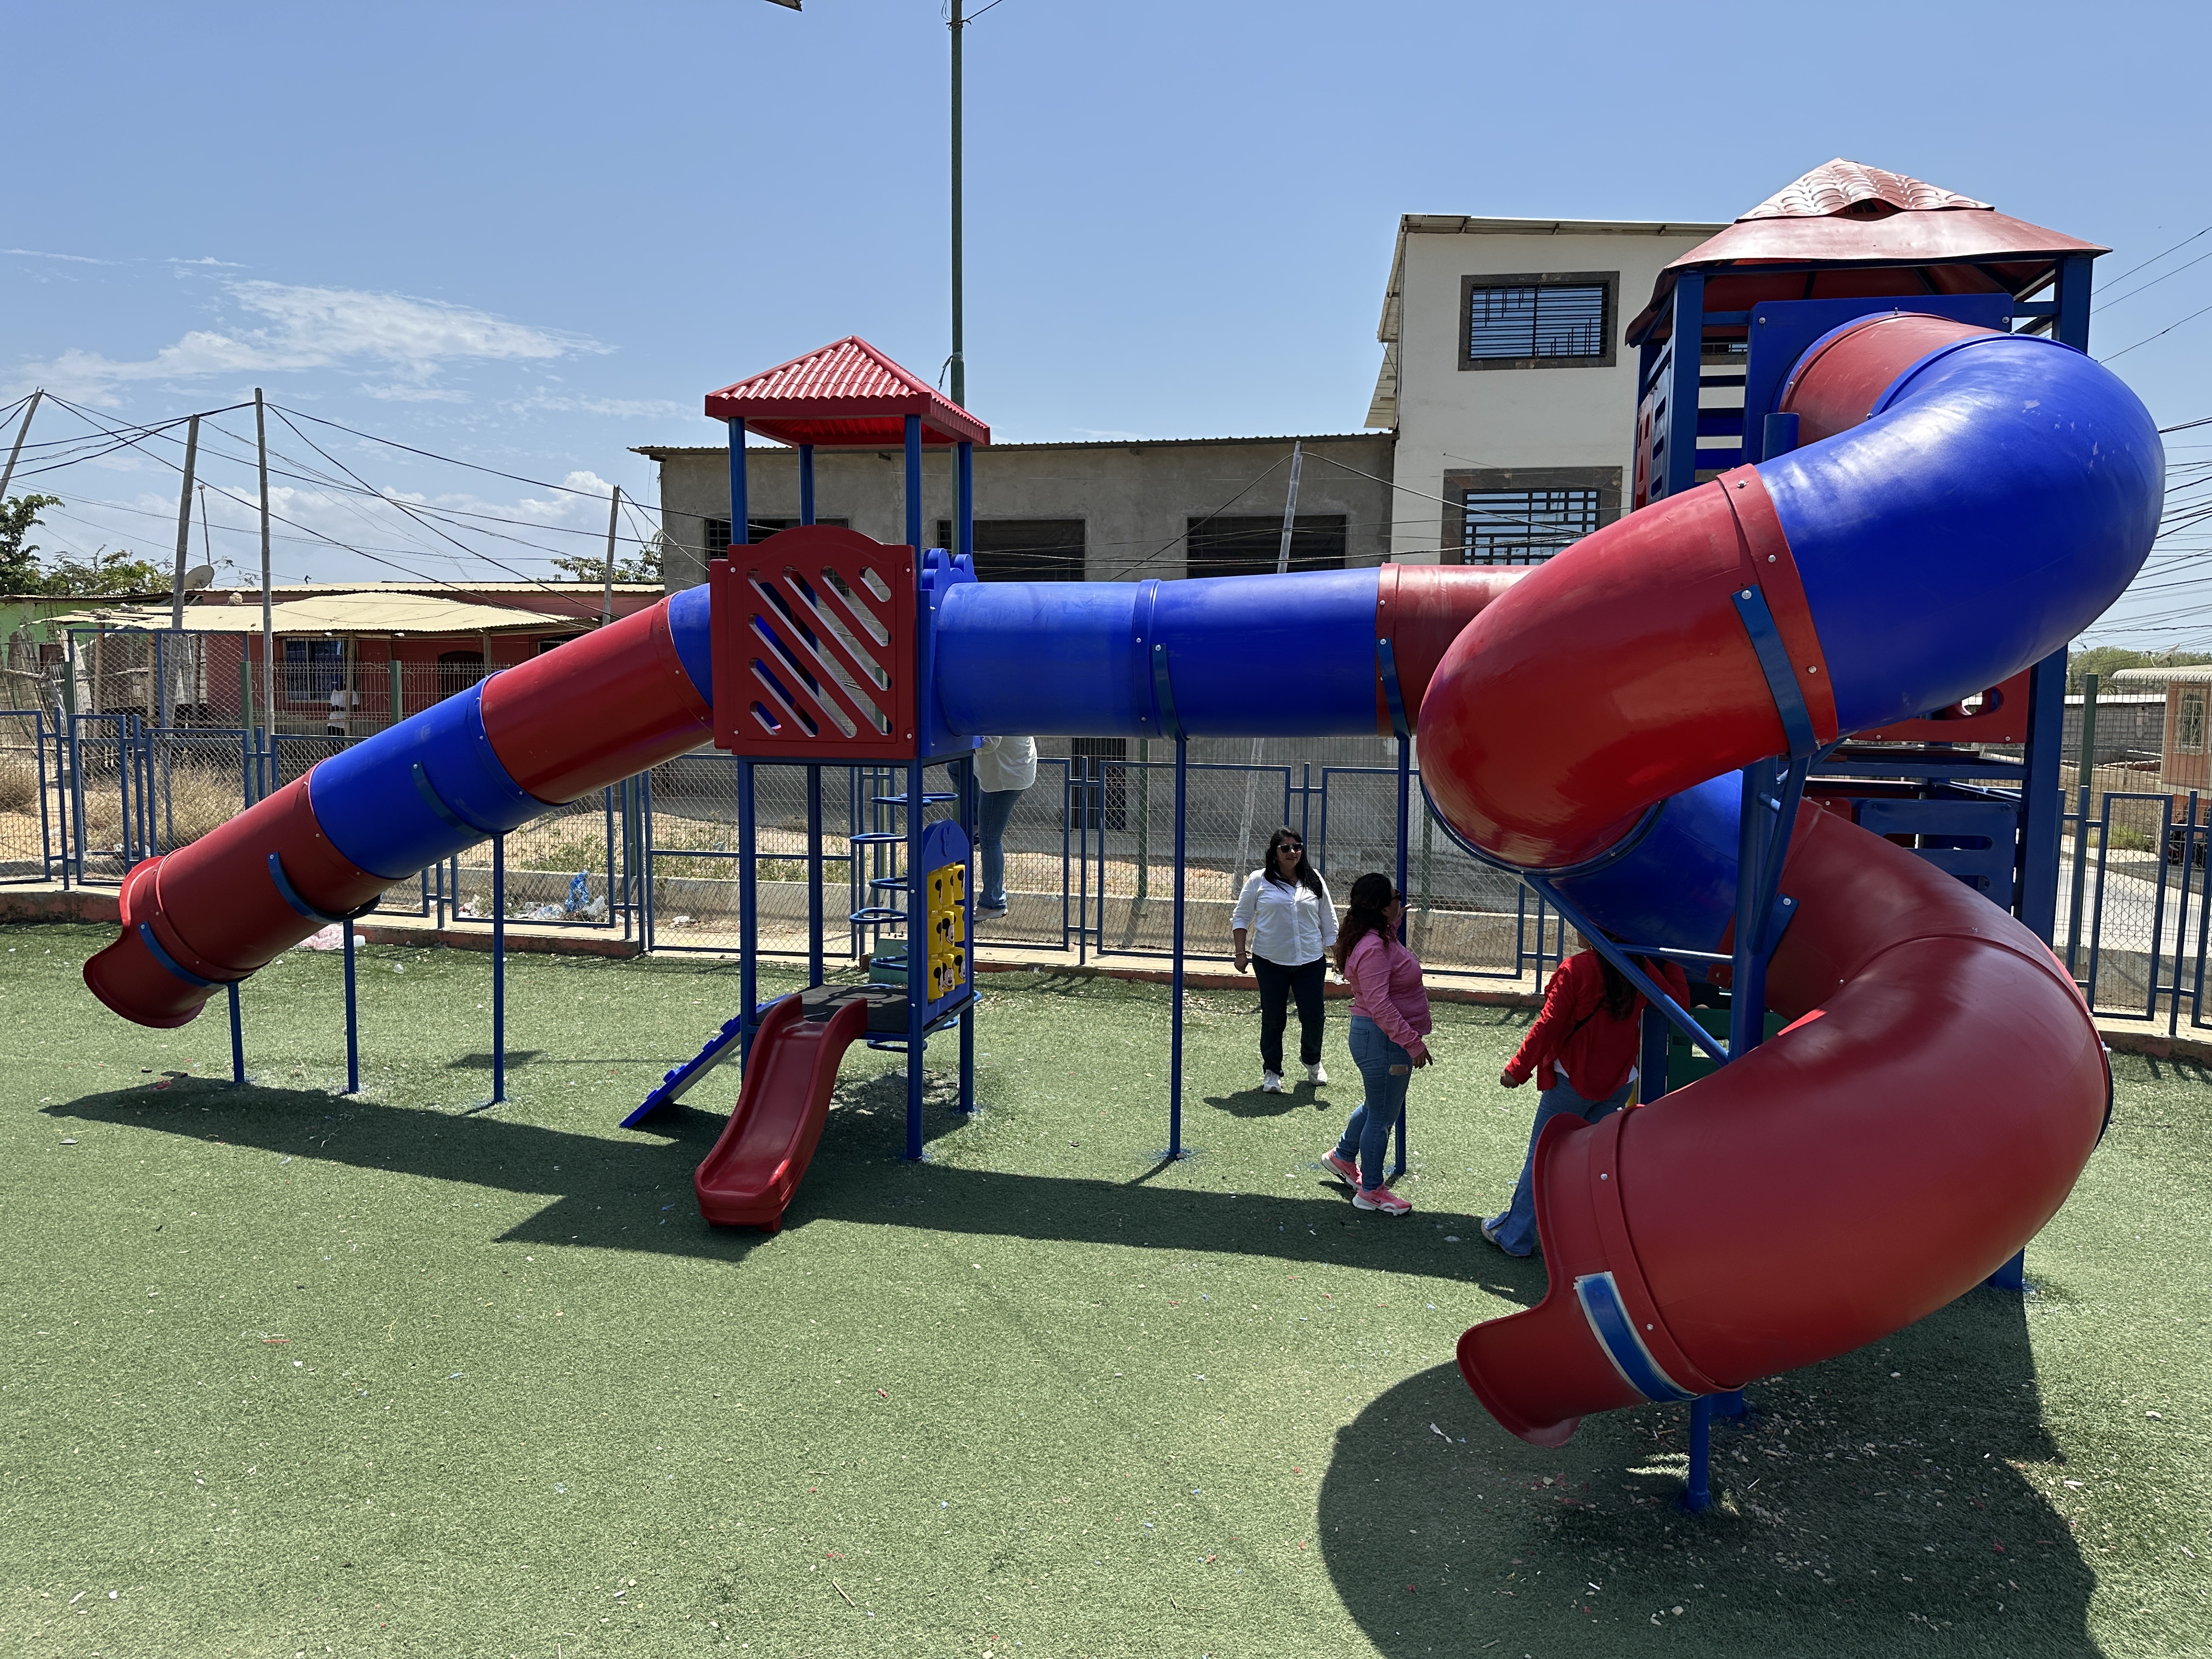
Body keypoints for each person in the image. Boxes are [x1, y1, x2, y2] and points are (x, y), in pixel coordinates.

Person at [1484, 934, 1691, 1256]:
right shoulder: (1639, 966)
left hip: (1573, 1081)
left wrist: (1518, 1068)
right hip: (1618, 1082)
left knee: (1543, 1157)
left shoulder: (1577, 969)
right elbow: (1678, 1004)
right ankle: (1577, 1242)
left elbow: (1549, 1023)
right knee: (1590, 1164)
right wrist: (1670, 959)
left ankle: (1515, 1236)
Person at [1321, 873, 1431, 1216]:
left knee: (1376, 1105)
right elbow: (1380, 1006)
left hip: (1380, 1039)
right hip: (1383, 1041)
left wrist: (1394, 922)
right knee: (1382, 1117)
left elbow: (1386, 968)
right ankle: (1370, 1190)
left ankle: (1342, 1156)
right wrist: (1413, 1044)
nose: (1401, 899)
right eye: (1396, 897)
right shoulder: (1374, 948)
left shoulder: (1377, 937)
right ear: (1382, 908)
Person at [1231, 828, 1339, 1092]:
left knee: (1314, 1016)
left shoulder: (1314, 879)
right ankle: (1272, 1071)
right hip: (1270, 961)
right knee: (1274, 1018)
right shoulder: (1258, 880)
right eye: (1286, 848)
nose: (1293, 852)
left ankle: (1312, 1061)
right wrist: (1240, 953)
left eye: (1297, 847)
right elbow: (1241, 917)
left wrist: (1339, 956)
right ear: (1274, 853)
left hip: (1310, 961)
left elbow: (1329, 920)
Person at [970, 736, 1036, 918]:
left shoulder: (992, 713)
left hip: (1005, 777)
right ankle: (976, 821)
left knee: (990, 839)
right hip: (1015, 767)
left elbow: (990, 742)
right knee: (955, 767)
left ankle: (993, 903)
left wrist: (956, 743)